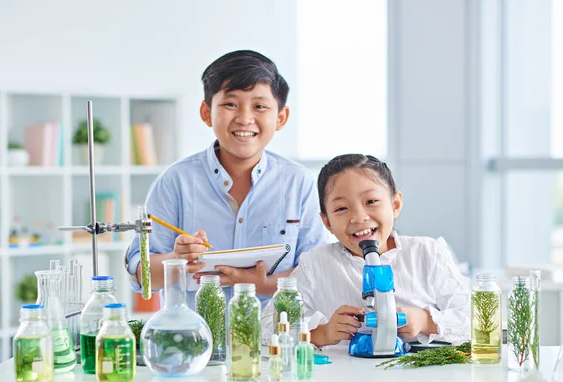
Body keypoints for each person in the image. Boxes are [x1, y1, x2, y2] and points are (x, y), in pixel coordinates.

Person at [125, 50, 328, 309]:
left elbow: (316, 276)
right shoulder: (176, 181)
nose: (244, 118)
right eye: (230, 104)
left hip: (278, 341)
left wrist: (252, 282)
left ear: (280, 118)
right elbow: (142, 277)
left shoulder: (298, 182)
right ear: (207, 112)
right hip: (194, 342)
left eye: (259, 106)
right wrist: (177, 259)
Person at [262, 154, 470, 346]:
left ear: (395, 205)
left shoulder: (427, 253)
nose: (359, 217)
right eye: (341, 208)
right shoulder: (316, 265)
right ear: (326, 222)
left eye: (371, 202)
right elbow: (267, 327)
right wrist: (321, 333)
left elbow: (477, 318)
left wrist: (425, 321)